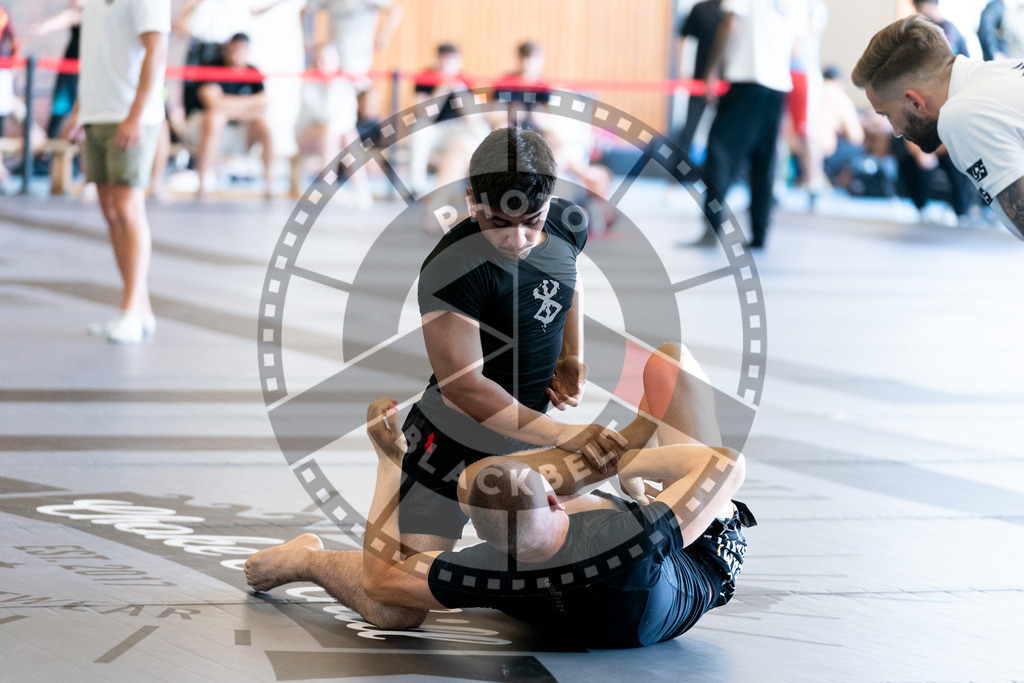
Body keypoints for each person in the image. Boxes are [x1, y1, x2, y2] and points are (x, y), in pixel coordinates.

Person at [245, 343, 753, 647]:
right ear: (557, 500)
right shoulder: (627, 537)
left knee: (394, 604)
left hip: (597, 584)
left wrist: (390, 466)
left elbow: (382, 579)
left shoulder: (488, 572)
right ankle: (623, 450)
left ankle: (306, 559)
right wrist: (626, 461)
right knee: (671, 363)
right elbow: (727, 466)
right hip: (695, 559)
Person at [401, 127, 627, 559]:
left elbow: (566, 277)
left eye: (531, 223)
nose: (518, 239)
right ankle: (306, 558)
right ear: (472, 200)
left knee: (589, 554)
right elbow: (464, 389)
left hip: (528, 446)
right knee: (398, 604)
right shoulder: (451, 268)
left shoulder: (566, 221)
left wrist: (570, 352)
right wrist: (562, 435)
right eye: (499, 223)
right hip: (447, 447)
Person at [853, 15, 1024, 239]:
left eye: (887, 115)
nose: (895, 131)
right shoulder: (1002, 71)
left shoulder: (962, 115)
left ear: (915, 102)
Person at [66, 0, 169, 344]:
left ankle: (130, 312)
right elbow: (92, 54)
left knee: (128, 208)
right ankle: (140, 310)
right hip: (98, 112)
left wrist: (136, 115)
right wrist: (82, 109)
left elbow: (157, 50)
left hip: (130, 115)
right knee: (110, 210)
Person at [694, 0, 808, 249]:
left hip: (747, 78)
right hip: (777, 85)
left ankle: (711, 227)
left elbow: (729, 24)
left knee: (719, 153)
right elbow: (796, 45)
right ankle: (760, 232)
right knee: (764, 160)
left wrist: (712, 70)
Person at [193, 33, 273, 198]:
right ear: (227, 48)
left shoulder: (253, 72)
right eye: (234, 48)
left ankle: (268, 184)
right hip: (206, 128)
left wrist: (225, 104)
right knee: (215, 118)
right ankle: (203, 183)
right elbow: (212, 103)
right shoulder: (213, 67)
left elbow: (263, 104)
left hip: (240, 131)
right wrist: (248, 105)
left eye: (242, 49)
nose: (237, 52)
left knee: (264, 124)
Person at [674, 0, 724, 172]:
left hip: (728, 85)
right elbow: (683, 37)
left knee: (724, 134)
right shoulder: (701, 10)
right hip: (699, 82)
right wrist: (682, 71)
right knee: (688, 131)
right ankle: (676, 178)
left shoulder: (737, 10)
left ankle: (720, 177)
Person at [28, 0, 84, 141]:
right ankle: (48, 150)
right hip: (69, 65)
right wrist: (43, 27)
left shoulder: (88, 13)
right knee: (59, 108)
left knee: (72, 109)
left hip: (81, 68)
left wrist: (44, 27)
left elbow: (69, 17)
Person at [492, 42, 551, 131]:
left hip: (538, 126)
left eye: (532, 58)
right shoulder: (506, 82)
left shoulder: (545, 85)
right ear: (519, 59)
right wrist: (509, 114)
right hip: (510, 125)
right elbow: (497, 110)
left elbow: (549, 113)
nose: (527, 63)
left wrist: (540, 117)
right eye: (524, 58)